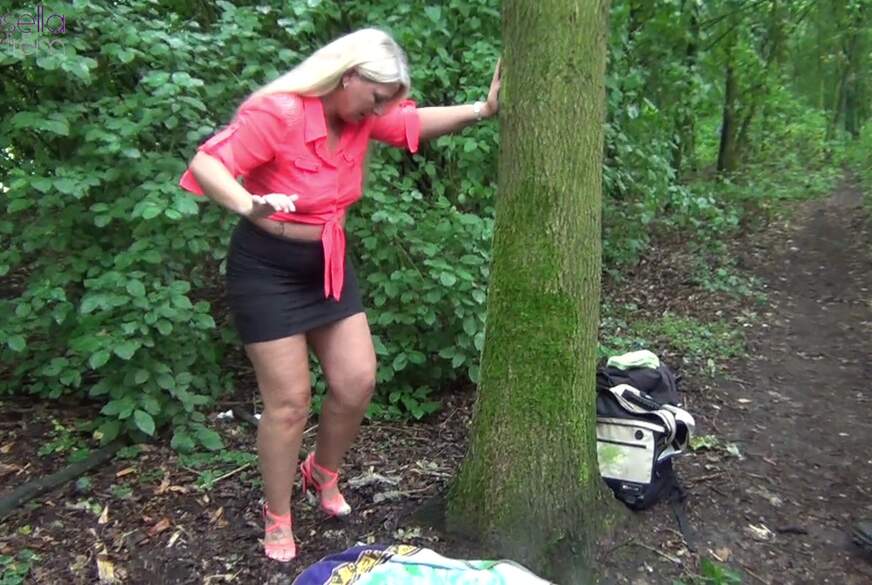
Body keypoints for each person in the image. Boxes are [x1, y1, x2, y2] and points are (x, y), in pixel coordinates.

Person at [178, 27, 501, 562]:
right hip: (267, 271)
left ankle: (321, 471)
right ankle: (277, 515)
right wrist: (247, 202)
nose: (380, 111)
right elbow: (208, 163)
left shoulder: (362, 115)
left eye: (386, 102)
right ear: (348, 76)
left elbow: (412, 123)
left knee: (357, 381)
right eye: (377, 97)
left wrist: (482, 110)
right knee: (289, 404)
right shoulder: (280, 113)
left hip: (326, 263)